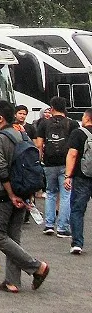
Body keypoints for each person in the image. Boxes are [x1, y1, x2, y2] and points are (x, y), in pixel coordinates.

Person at [0, 100, 49, 293]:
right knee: (13, 237)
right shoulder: (23, 134)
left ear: (0, 117)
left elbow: (0, 168)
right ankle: (12, 281)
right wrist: (25, 194)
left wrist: (11, 194)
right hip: (23, 191)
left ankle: (37, 266)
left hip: (2, 193)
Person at [34, 96, 76, 237]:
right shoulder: (72, 124)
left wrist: (39, 161)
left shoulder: (44, 124)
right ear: (65, 108)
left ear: (52, 108)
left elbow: (39, 145)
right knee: (65, 195)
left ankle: (49, 225)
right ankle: (63, 227)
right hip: (66, 163)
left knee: (50, 193)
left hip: (49, 163)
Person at [63, 107, 92, 255]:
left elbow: (72, 154)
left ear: (86, 118)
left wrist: (68, 175)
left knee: (77, 210)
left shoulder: (78, 133)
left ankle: (77, 243)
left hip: (82, 177)